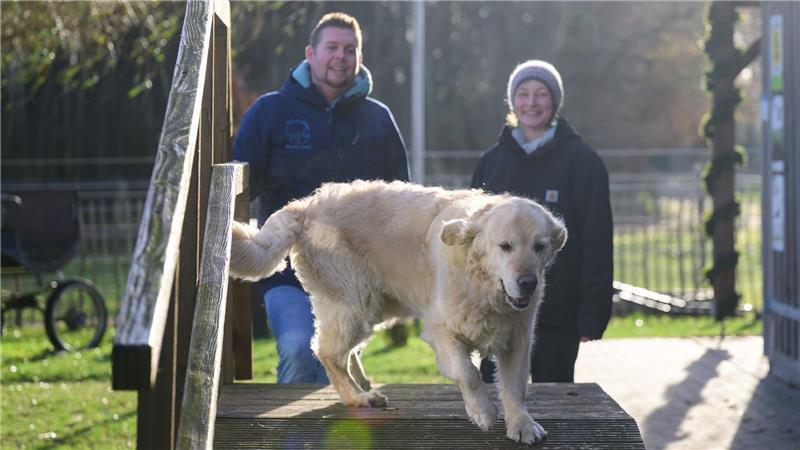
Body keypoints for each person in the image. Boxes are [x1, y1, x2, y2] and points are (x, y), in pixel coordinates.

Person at [233, 12, 409, 384]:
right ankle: (295, 442)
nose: (340, 57)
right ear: (310, 53)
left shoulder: (378, 119)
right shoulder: (270, 111)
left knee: (336, 364)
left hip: (354, 274)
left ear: (359, 59)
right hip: (287, 267)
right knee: (299, 351)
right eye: (332, 48)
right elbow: (236, 184)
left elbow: (400, 200)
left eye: (350, 50)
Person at [471, 60, 613, 383]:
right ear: (512, 102)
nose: (532, 103)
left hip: (556, 317)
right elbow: (473, 244)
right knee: (496, 403)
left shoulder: (583, 163)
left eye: (541, 94)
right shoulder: (490, 164)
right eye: (523, 94)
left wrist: (592, 313)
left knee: (554, 404)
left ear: (555, 101)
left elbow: (597, 241)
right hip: (498, 314)